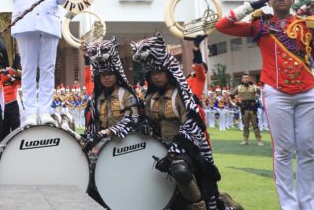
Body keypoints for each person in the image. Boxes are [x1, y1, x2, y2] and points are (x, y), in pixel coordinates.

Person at [215, 0, 314, 209]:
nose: (281, 0)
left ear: (292, 0)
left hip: (308, 90)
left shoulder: (305, 24)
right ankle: (289, 205)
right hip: (276, 91)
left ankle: (308, 203)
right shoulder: (260, 25)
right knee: (282, 150)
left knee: (308, 149)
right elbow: (222, 26)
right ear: (269, 0)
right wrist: (250, 7)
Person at [131, 33, 241, 210]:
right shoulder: (150, 97)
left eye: (159, 72)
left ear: (168, 72)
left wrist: (173, 153)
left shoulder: (182, 94)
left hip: (188, 148)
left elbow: (191, 126)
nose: (156, 77)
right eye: (152, 74)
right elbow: (148, 122)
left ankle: (201, 205)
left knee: (179, 169)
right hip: (159, 147)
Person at [82, 37, 140, 153]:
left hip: (125, 146)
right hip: (103, 148)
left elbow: (132, 119)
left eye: (110, 74)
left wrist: (104, 133)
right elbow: (94, 123)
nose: (107, 77)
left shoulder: (127, 95)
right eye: (103, 75)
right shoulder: (96, 99)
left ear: (116, 75)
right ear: (99, 78)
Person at [230, 74, 263, 146]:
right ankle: (245, 140)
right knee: (245, 125)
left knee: (255, 124)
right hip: (244, 107)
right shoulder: (239, 88)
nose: (246, 79)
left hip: (252, 107)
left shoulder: (254, 87)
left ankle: (259, 140)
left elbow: (262, 94)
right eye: (244, 78)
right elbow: (232, 95)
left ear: (249, 79)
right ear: (242, 79)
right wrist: (237, 103)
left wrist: (258, 102)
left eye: (247, 78)